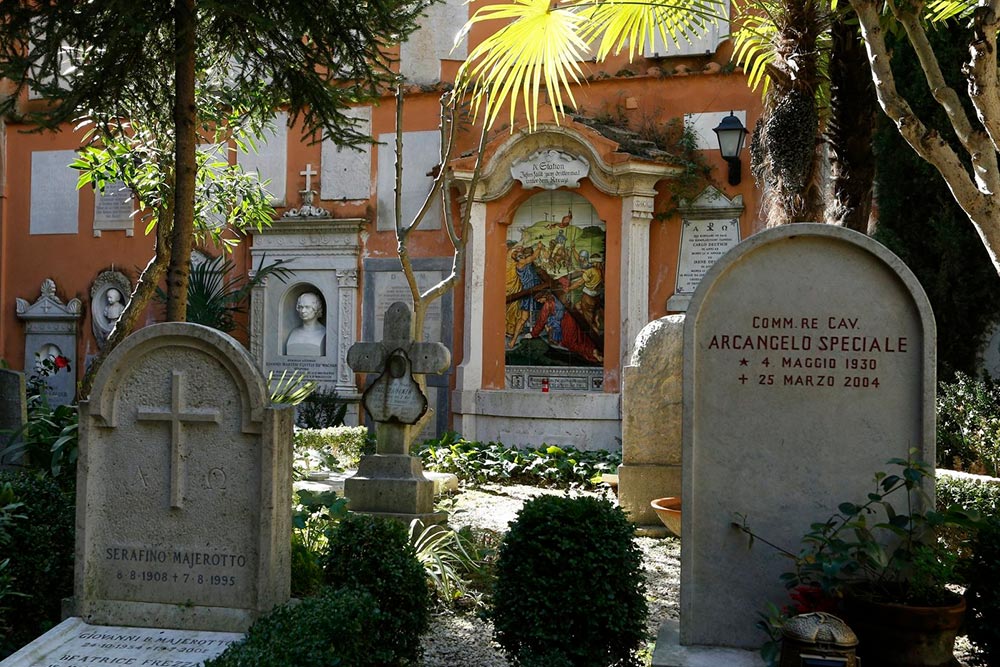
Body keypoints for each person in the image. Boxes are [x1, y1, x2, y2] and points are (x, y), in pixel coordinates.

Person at [285, 291, 326, 356]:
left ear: (316, 308)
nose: (303, 311)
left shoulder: (324, 332)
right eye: (301, 307)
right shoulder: (294, 333)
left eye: (307, 307)